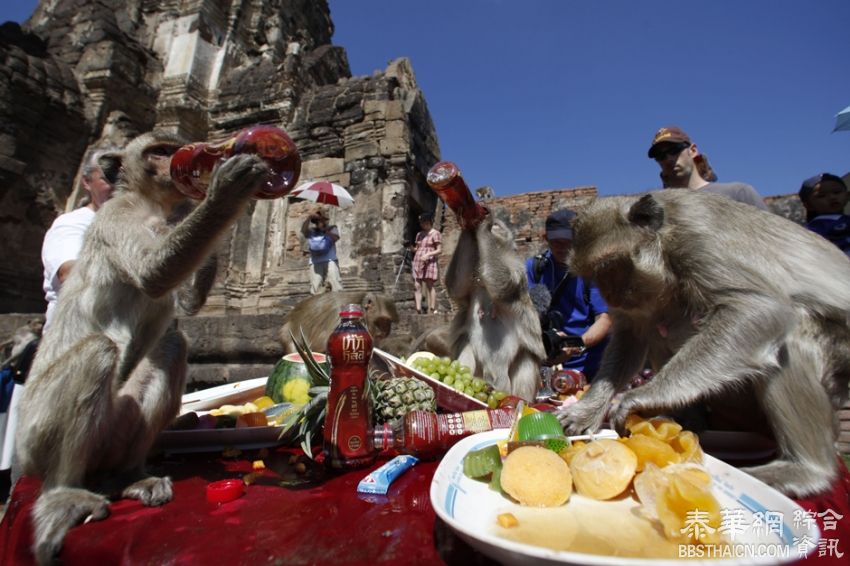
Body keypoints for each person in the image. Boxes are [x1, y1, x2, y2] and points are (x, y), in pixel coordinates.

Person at [526, 209, 611, 380]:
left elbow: (605, 319)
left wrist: (574, 344)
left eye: (568, 241)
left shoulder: (592, 269)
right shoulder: (534, 268)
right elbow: (526, 312)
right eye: (557, 242)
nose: (563, 247)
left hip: (590, 367)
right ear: (545, 238)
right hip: (547, 367)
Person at [41, 149, 119, 328]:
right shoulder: (73, 223)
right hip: (74, 339)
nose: (118, 187)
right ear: (87, 182)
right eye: (109, 178)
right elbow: (69, 274)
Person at [648, 126, 769, 211]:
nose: (668, 159)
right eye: (660, 156)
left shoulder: (738, 193)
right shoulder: (660, 210)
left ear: (693, 150)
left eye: (674, 150)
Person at [798, 172, 850, 257]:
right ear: (808, 205)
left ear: (848, 195)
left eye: (837, 192)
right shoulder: (815, 228)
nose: (832, 197)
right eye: (821, 196)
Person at [301, 209, 343, 294]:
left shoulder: (332, 228)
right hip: (315, 262)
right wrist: (308, 218)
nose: (318, 221)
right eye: (317, 220)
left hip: (330, 261)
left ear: (325, 219)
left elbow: (336, 238)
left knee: (335, 284)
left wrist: (324, 230)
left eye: (320, 219)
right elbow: (303, 230)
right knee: (316, 287)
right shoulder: (312, 231)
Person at [411, 212, 442, 314]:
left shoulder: (435, 233)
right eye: (421, 223)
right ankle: (418, 309)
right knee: (417, 285)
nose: (422, 225)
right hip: (418, 260)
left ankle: (432, 308)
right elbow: (417, 249)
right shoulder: (419, 234)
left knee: (429, 285)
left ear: (429, 222)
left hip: (429, 261)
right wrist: (411, 248)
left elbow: (439, 250)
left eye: (424, 222)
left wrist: (428, 255)